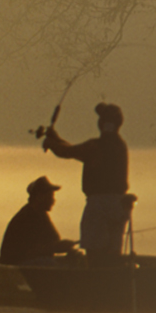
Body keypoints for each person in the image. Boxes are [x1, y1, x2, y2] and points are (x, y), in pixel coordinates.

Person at [43, 102, 134, 267]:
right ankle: (112, 285)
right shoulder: (120, 146)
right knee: (112, 254)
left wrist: (50, 143)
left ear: (101, 124)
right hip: (118, 205)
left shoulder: (95, 146)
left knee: (95, 254)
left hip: (98, 205)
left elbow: (67, 152)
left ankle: (95, 285)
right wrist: (55, 138)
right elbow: (74, 149)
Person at [0, 175, 78, 265]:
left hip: (30, 262)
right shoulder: (27, 217)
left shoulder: (40, 214)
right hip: (18, 264)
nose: (53, 200)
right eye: (50, 196)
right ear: (39, 197)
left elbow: (54, 240)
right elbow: (31, 251)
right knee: (48, 263)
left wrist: (62, 246)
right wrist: (59, 246)